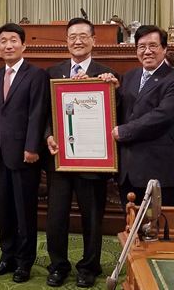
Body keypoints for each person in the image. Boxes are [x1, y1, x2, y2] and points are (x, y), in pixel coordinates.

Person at [44, 17, 119, 288]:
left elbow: (114, 114)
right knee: (56, 217)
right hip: (60, 160)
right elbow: (45, 115)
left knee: (92, 217)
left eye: (83, 36)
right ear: (66, 41)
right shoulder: (52, 72)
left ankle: (89, 267)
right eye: (72, 36)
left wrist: (111, 89)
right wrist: (48, 136)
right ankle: (58, 266)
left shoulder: (107, 74)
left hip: (92, 161)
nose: (77, 40)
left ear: (94, 40)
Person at [0, 23, 49, 283]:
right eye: (3, 41)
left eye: (13, 40)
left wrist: (32, 147)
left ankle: (24, 262)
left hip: (25, 155)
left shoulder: (36, 75)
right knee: (5, 211)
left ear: (24, 45)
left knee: (25, 212)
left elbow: (38, 113)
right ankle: (6, 256)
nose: (8, 45)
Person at [113, 25, 174, 207]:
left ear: (164, 49)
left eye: (153, 46)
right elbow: (123, 111)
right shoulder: (130, 76)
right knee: (132, 228)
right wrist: (108, 92)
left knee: (158, 230)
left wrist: (123, 131)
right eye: (141, 47)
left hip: (158, 170)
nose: (147, 51)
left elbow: (162, 116)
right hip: (128, 172)